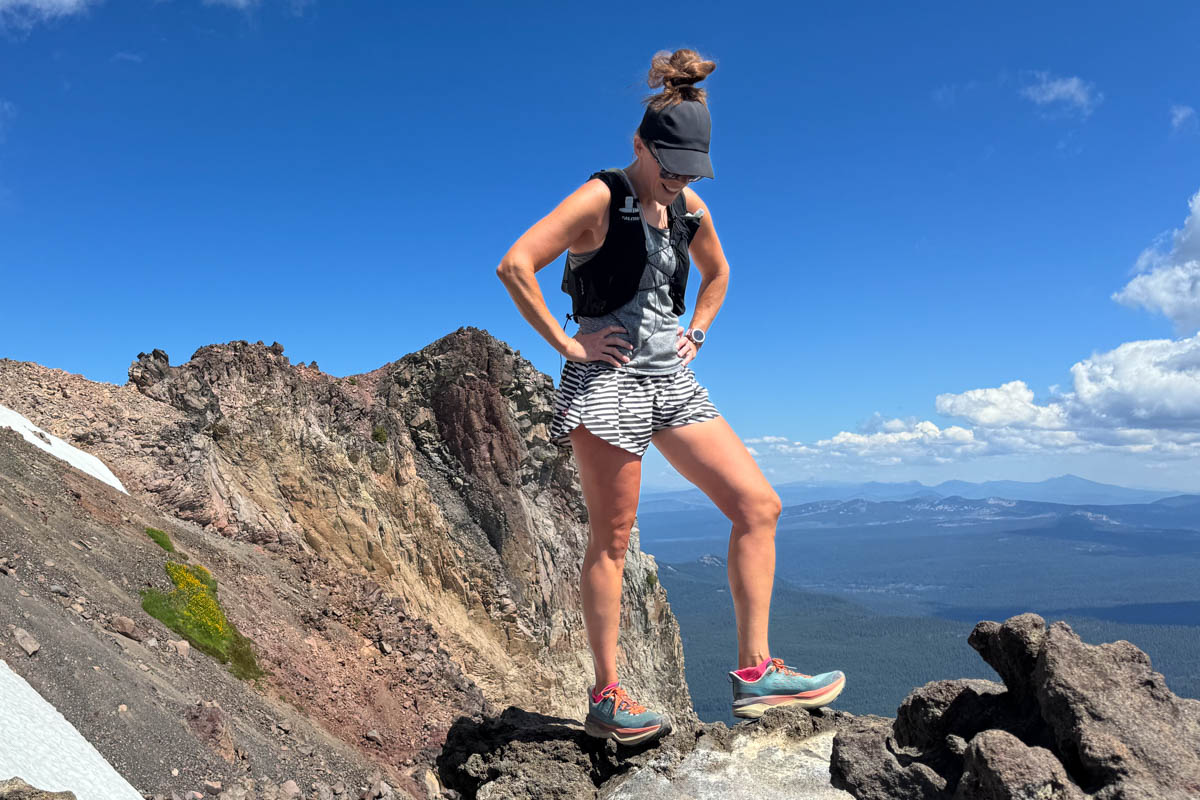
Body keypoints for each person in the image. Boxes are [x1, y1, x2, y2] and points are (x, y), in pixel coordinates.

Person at [496, 49, 844, 745]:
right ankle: (606, 698)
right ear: (640, 145)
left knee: (759, 506)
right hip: (609, 381)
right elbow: (516, 264)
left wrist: (699, 332)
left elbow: (718, 275)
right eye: (670, 166)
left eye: (690, 170)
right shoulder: (601, 197)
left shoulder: (689, 208)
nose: (679, 179)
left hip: (671, 381)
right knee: (612, 540)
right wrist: (568, 345)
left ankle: (756, 674)